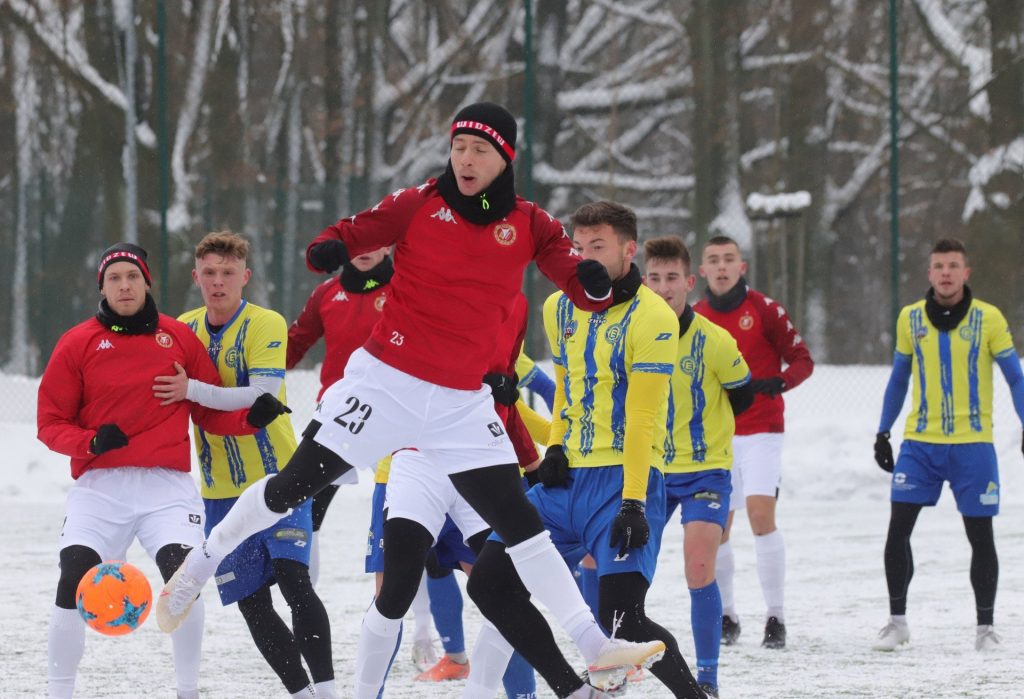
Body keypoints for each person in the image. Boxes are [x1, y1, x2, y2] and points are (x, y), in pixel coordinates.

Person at [156, 102, 661, 698]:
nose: (465, 159)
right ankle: (201, 563)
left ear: (505, 158)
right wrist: (327, 248)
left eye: (479, 150)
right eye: (459, 147)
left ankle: (596, 648)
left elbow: (576, 279)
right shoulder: (420, 202)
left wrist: (592, 284)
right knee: (294, 485)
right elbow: (349, 233)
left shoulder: (530, 223)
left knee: (523, 526)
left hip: (460, 403)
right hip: (385, 383)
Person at [466, 202, 707, 699]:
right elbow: (569, 391)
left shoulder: (654, 317)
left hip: (622, 481)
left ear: (628, 249)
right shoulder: (558, 308)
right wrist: (554, 447)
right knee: (489, 583)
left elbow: (643, 418)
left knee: (622, 619)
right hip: (564, 481)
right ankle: (572, 691)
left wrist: (634, 501)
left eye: (597, 247)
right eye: (577, 247)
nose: (584, 258)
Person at [38, 243, 285, 699]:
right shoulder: (77, 342)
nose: (125, 286)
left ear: (146, 283)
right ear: (102, 288)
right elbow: (49, 423)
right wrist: (90, 442)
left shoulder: (178, 337)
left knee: (183, 580)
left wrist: (250, 419)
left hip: (166, 488)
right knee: (72, 575)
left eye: (133, 277)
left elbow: (208, 409)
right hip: (100, 486)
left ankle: (187, 692)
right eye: (114, 279)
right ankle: (59, 692)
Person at [154, 231, 336, 698]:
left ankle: (329, 692)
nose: (218, 282)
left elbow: (262, 394)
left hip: (280, 479)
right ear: (196, 277)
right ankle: (302, 694)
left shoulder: (265, 322)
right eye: (209, 273)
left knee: (295, 582)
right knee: (252, 603)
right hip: (220, 489)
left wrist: (191, 389)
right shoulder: (182, 329)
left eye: (228, 273)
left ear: (245, 277)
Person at [872, 238, 1024, 652]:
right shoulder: (910, 318)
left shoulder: (988, 318)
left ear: (965, 273)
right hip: (920, 444)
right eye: (938, 266)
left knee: (981, 536)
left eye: (953, 266)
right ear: (929, 273)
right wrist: (883, 431)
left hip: (973, 445)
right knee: (898, 531)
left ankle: (985, 630)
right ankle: (898, 622)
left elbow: (1015, 377)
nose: (945, 273)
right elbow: (899, 378)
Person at [644, 235, 754, 698]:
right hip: (649, 470)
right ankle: (610, 663)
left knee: (700, 564)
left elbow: (743, 394)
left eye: (672, 278)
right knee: (615, 566)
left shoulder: (715, 340)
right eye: (655, 278)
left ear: (690, 283)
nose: (663, 287)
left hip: (706, 471)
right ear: (643, 282)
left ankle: (707, 678)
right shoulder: (634, 333)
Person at [694, 235, 814, 649]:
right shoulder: (696, 316)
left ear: (741, 267)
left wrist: (778, 382)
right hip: (716, 437)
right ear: (702, 271)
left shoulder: (765, 310)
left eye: (729, 259)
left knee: (761, 515)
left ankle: (775, 616)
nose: (721, 266)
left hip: (762, 430)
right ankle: (727, 615)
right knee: (718, 526)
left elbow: (802, 360)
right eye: (713, 260)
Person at [285, 245, 392, 585]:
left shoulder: (406, 287)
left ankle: (418, 614)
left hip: (394, 416)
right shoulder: (327, 293)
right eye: (359, 241)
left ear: (388, 245)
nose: (365, 249)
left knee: (409, 513)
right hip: (339, 417)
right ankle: (303, 599)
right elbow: (294, 344)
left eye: (374, 241)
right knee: (304, 510)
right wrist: (255, 369)